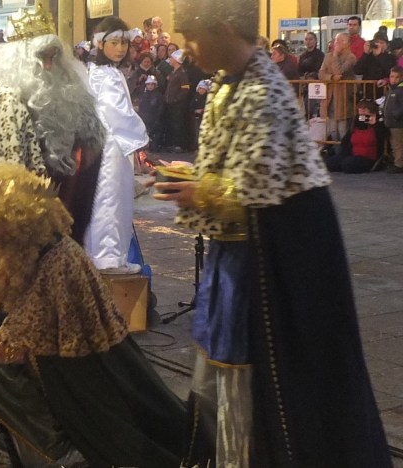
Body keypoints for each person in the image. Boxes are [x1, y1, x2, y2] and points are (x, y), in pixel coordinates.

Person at [155, 0, 392, 465]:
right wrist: (194, 177)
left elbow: (249, 191)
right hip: (241, 255)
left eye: (192, 36)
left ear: (224, 28)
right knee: (223, 373)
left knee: (276, 381)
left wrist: (195, 189)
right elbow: (230, 169)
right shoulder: (228, 83)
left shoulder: (264, 90)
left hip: (279, 261)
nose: (186, 49)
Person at [0, 164, 187, 468]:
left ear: (20, 224)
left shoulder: (59, 260)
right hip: (38, 370)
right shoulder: (5, 252)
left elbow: (14, 344)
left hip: (77, 387)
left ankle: (58, 455)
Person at [0, 13, 105, 248]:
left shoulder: (68, 93)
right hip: (20, 211)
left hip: (58, 207)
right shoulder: (7, 96)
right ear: (21, 59)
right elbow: (6, 171)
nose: (48, 66)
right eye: (42, 57)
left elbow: (88, 146)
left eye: (53, 57)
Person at [85, 16, 150, 274]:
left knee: (109, 198)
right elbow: (118, 113)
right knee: (110, 199)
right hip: (112, 145)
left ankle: (106, 254)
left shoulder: (104, 71)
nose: (120, 48)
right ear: (101, 44)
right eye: (114, 42)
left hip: (110, 144)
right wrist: (142, 137)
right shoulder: (106, 75)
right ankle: (108, 258)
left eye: (124, 42)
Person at [324, 100, 387, 173]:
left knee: (348, 164)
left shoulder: (378, 122)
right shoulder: (356, 122)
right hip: (354, 152)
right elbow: (346, 140)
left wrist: (374, 124)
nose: (362, 110)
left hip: (368, 156)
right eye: (360, 108)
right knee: (330, 164)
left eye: (365, 108)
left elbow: (383, 135)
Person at [319, 32, 357, 140]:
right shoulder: (327, 56)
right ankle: (335, 154)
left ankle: (343, 154)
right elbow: (321, 74)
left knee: (342, 130)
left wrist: (335, 55)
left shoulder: (351, 57)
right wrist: (330, 77)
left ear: (348, 43)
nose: (338, 43)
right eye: (337, 40)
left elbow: (339, 71)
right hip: (330, 97)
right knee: (332, 130)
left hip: (343, 98)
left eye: (342, 41)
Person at [384, 66, 403, 173]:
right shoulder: (391, 89)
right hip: (391, 122)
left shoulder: (400, 90)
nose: (393, 79)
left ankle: (399, 164)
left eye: (396, 77)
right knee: (394, 143)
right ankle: (398, 162)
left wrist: (396, 115)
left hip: (398, 123)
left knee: (398, 144)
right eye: (392, 77)